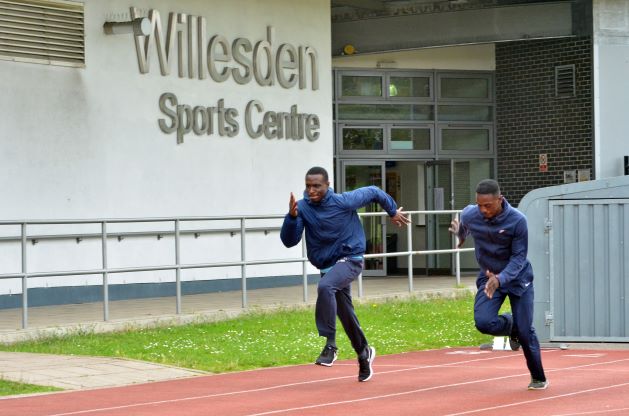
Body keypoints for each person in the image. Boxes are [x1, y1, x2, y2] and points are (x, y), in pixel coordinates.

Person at [280, 166, 409, 382]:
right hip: (328, 265)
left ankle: (330, 345)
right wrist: (292, 218)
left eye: (317, 186)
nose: (311, 190)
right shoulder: (302, 208)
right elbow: (289, 241)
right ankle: (363, 352)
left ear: (327, 185)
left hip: (350, 258)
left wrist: (392, 211)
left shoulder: (344, 201)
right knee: (345, 314)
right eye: (308, 186)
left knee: (325, 287)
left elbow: (375, 191)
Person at [449, 179, 549, 390]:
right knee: (483, 322)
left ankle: (538, 377)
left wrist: (501, 278)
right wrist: (461, 235)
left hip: (518, 279)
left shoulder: (517, 220)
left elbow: (519, 258)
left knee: (525, 331)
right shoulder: (470, 213)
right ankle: (513, 325)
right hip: (488, 276)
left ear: (500, 200)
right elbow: (465, 225)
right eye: (479, 205)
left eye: (488, 205)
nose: (483, 210)